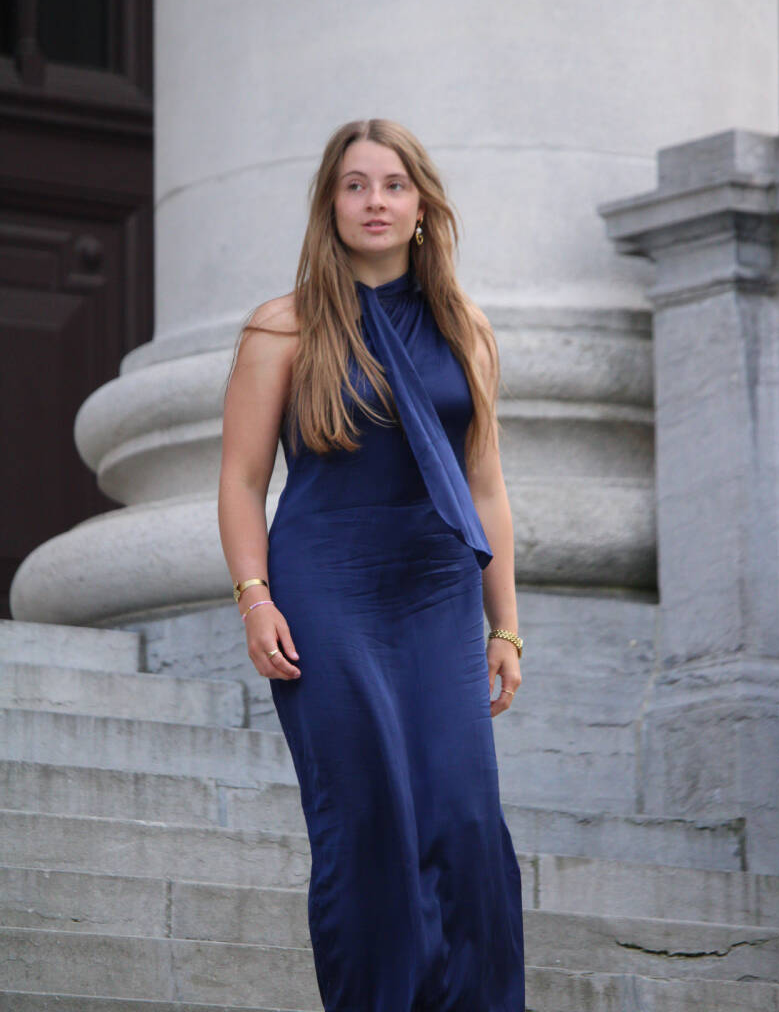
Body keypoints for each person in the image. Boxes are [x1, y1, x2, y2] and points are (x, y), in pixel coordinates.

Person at [218, 118, 525, 1011]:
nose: (375, 202)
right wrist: (255, 598)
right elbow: (241, 481)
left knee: (465, 819)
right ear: (330, 205)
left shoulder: (466, 329)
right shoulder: (282, 327)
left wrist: (504, 624)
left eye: (393, 185)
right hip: (328, 589)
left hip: (436, 592)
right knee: (367, 819)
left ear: (422, 206)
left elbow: (486, 486)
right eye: (354, 186)